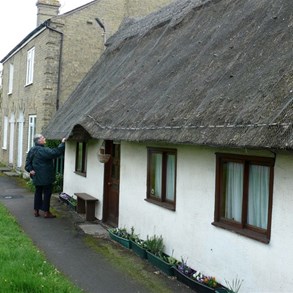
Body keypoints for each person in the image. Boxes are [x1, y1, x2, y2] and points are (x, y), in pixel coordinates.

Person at [25, 134, 66, 218]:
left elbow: (27, 163)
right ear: (39, 141)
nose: (44, 139)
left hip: (36, 176)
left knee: (38, 192)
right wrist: (62, 143)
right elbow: (55, 152)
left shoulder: (32, 150)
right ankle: (46, 212)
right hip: (46, 176)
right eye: (43, 138)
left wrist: (30, 169)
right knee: (47, 193)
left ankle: (36, 211)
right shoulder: (43, 150)